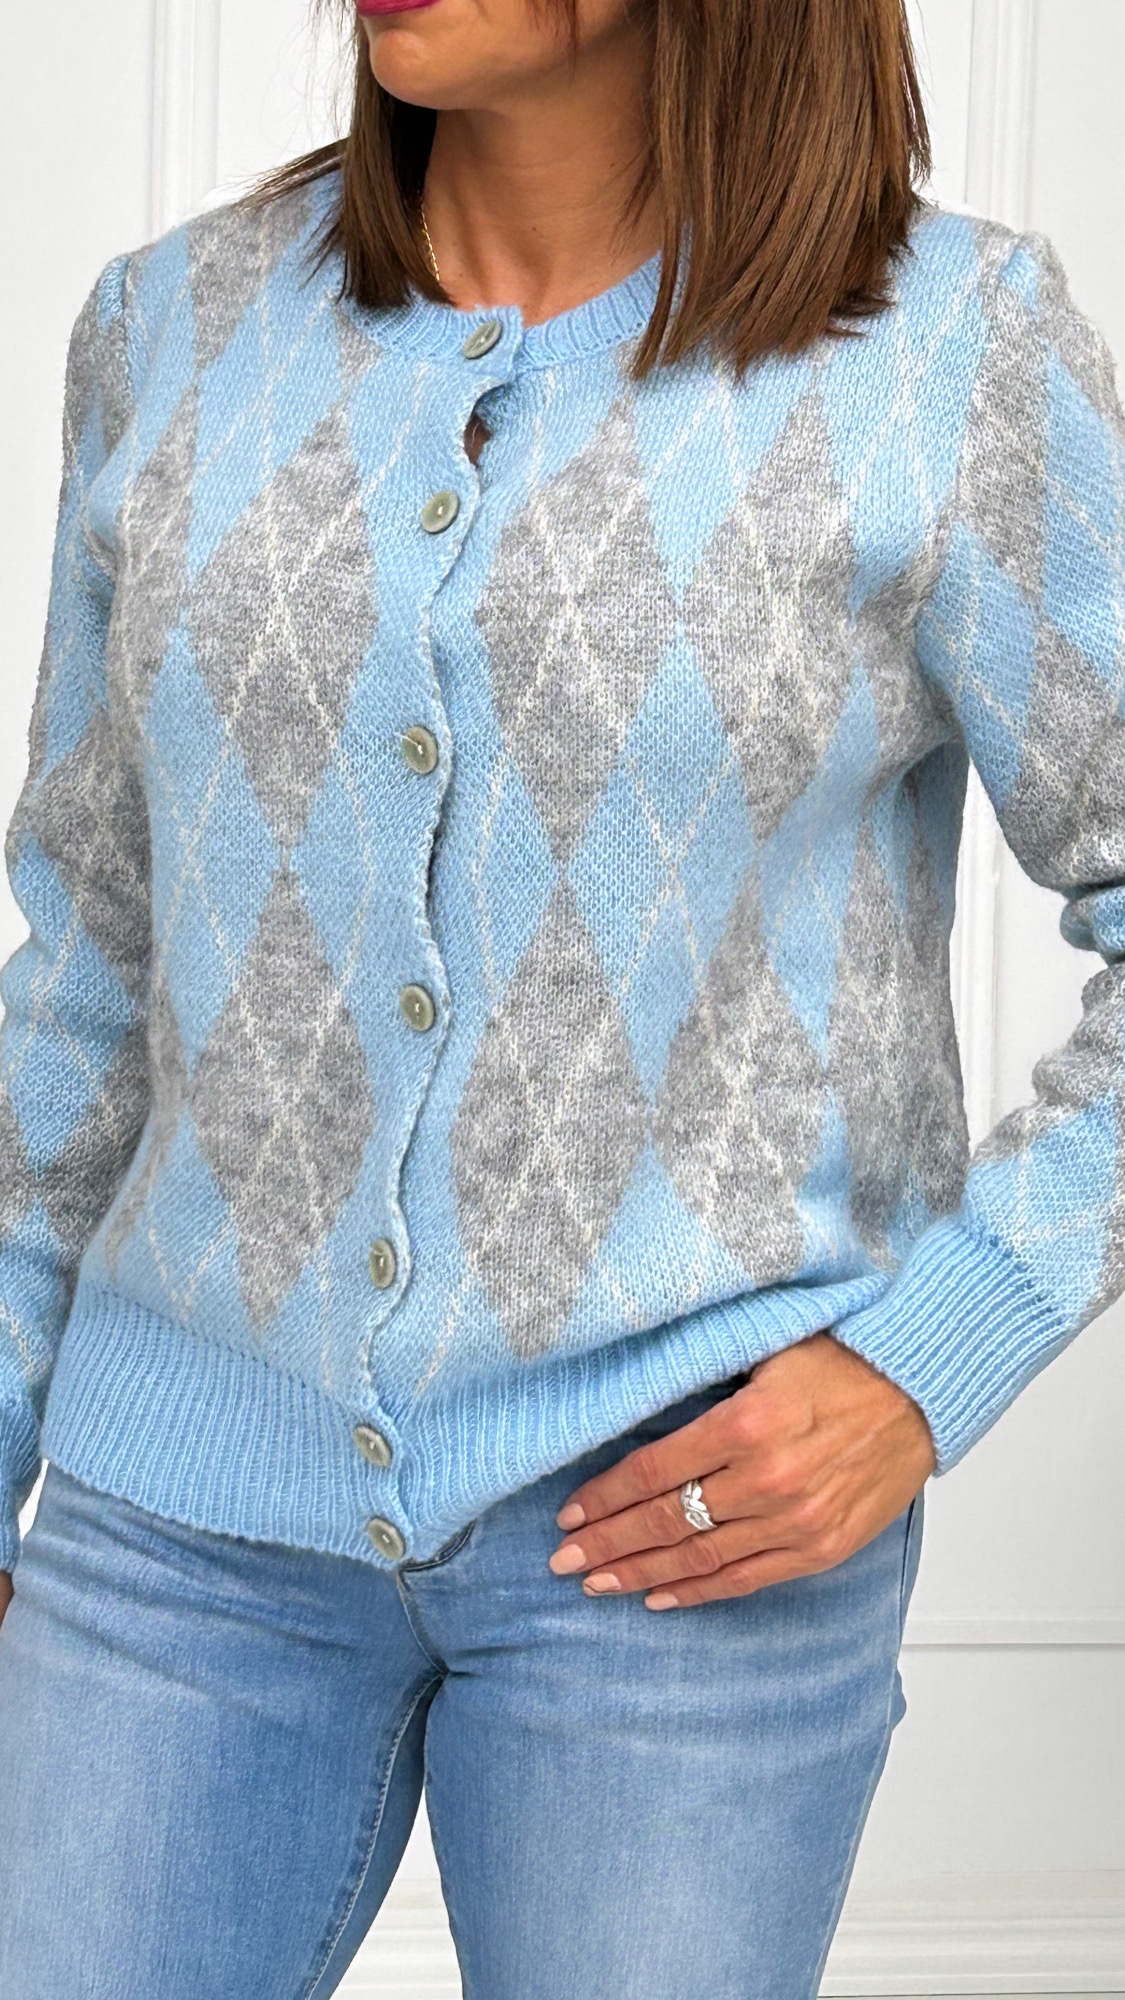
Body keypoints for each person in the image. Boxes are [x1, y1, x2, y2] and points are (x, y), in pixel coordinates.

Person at [1, 0, 1122, 1992]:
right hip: (172, 1522)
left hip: (688, 1532)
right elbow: (90, 957)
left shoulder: (945, 353)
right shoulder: (170, 331)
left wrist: (926, 1358)